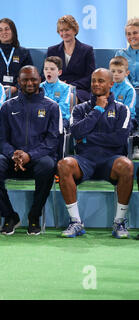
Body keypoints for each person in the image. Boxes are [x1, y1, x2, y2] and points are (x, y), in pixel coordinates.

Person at [0, 66, 62, 236]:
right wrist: (14, 154)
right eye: (25, 79)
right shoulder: (6, 106)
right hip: (13, 159)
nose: (29, 83)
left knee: (48, 165)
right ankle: (9, 216)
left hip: (38, 159)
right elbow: (1, 139)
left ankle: (34, 215)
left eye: (33, 79)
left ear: (39, 79)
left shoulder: (52, 107)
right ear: (18, 81)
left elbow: (52, 141)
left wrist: (30, 155)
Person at [57, 68, 133, 239]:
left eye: (101, 81)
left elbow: (119, 139)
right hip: (84, 160)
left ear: (111, 84)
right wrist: (97, 110)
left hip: (111, 160)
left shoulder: (122, 110)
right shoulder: (79, 109)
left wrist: (86, 139)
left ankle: (119, 222)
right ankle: (75, 222)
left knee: (127, 165)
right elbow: (75, 133)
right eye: (93, 81)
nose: (96, 84)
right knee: (64, 165)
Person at [47, 15, 95, 103]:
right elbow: (45, 74)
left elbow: (90, 76)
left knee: (69, 97)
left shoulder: (87, 50)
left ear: (74, 30)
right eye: (61, 30)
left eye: (67, 29)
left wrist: (71, 86)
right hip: (55, 87)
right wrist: (58, 84)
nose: (64, 33)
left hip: (78, 89)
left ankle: (70, 117)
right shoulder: (52, 51)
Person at [0, 18, 33, 99]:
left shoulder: (23, 52)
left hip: (19, 91)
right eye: (0, 30)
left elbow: (29, 74)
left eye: (7, 29)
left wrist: (16, 87)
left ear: (13, 31)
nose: (3, 32)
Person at [40, 56, 71, 130]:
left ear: (59, 72)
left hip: (60, 118)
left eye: (52, 69)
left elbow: (63, 108)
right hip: (41, 117)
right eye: (46, 69)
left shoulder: (65, 88)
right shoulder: (39, 87)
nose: (48, 71)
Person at [109, 56, 137, 130]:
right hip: (110, 116)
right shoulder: (107, 86)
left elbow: (128, 111)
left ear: (127, 73)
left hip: (127, 118)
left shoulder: (130, 90)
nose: (116, 74)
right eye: (113, 71)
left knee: (122, 127)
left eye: (120, 71)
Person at [115, 18, 139, 89]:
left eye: (135, 33)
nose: (132, 36)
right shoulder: (120, 54)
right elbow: (117, 76)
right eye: (129, 34)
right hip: (126, 92)